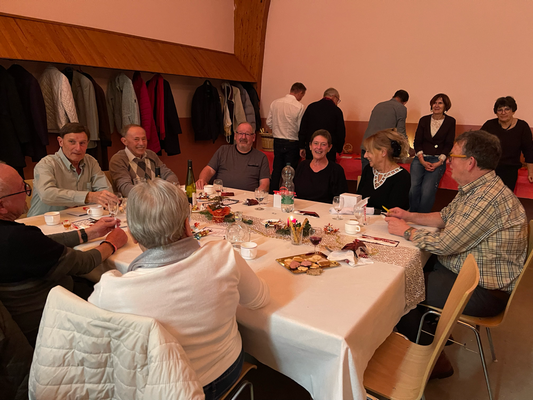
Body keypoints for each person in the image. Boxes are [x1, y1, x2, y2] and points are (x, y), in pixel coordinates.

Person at [88, 179, 270, 400]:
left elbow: (95, 350)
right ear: (187, 225)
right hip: (224, 372)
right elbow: (259, 300)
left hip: (159, 391)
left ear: (133, 236)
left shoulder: (111, 289)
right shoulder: (223, 255)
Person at [385, 130, 527, 378]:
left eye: (453, 155)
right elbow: (445, 217)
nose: (449, 160)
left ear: (470, 162)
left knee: (398, 288)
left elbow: (445, 244)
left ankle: (432, 362)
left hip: (483, 290)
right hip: (467, 272)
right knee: (412, 268)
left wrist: (406, 231)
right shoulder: (477, 187)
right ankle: (434, 332)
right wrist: (409, 216)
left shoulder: (486, 199)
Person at [0, 162, 128, 346]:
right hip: (53, 318)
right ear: (2, 206)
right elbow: (82, 263)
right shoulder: (17, 239)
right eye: (23, 189)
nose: (27, 195)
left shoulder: (15, 235)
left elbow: (44, 242)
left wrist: (88, 233)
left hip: (27, 314)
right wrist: (112, 243)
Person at [28, 122, 117, 216]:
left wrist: (107, 199)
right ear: (60, 142)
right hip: (42, 220)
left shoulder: (91, 161)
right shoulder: (46, 164)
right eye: (72, 142)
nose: (78, 148)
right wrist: (88, 197)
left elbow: (106, 191)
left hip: (79, 219)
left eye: (82, 143)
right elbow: (47, 194)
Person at [409, 93, 456, 213]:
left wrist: (440, 162)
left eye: (440, 103)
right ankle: (412, 214)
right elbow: (417, 141)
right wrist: (421, 159)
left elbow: (448, 143)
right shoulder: (424, 120)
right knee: (414, 188)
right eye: (434, 103)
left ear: (445, 106)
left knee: (427, 190)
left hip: (437, 159)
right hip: (420, 158)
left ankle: (422, 217)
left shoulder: (450, 121)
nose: (437, 105)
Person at [196, 122, 270, 192]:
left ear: (253, 137)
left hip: (248, 198)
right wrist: (202, 180)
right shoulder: (223, 150)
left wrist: (257, 196)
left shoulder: (261, 157)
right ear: (235, 136)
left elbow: (265, 184)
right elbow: (209, 169)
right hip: (221, 195)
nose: (243, 137)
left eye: (247, 134)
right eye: (240, 133)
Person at [110, 124, 179, 196]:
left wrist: (164, 190)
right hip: (134, 202)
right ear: (124, 141)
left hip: (157, 199)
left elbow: (170, 175)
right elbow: (125, 189)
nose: (141, 143)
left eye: (143, 139)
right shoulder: (118, 160)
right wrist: (153, 194)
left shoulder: (151, 154)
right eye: (136, 139)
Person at [481, 96, 533, 191]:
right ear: (496, 112)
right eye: (500, 110)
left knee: (504, 196)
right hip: (489, 169)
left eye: (507, 109)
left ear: (513, 111)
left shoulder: (522, 127)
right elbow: (477, 145)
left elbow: (529, 151)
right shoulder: (489, 125)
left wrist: (531, 172)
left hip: (510, 169)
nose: (503, 112)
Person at [266, 82, 306, 192]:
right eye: (302, 95)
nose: (301, 98)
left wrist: (278, 128)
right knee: (290, 171)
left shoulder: (275, 103)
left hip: (277, 140)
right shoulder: (299, 106)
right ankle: (288, 193)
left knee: (277, 169)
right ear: (300, 92)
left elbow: (269, 122)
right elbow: (300, 127)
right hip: (292, 142)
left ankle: (272, 193)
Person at [357, 129, 410, 211]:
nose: (365, 156)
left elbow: (396, 212)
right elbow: (358, 200)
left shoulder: (402, 177)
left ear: (383, 152)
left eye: (369, 151)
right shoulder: (368, 170)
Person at [294, 130, 348, 203]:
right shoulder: (302, 166)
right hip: (300, 208)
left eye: (323, 144)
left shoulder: (336, 170)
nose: (319, 147)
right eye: (316, 143)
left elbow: (341, 200)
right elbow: (293, 193)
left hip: (326, 209)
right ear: (310, 146)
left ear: (329, 148)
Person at [361, 90, 409, 171]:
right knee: (381, 176)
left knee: (366, 174)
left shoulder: (379, 105)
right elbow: (401, 132)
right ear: (404, 102)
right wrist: (407, 148)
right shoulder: (401, 108)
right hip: (380, 148)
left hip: (366, 145)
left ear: (393, 96)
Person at [298, 88, 345, 162]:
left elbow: (303, 128)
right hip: (328, 150)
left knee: (310, 166)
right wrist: (339, 149)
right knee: (328, 167)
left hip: (312, 147)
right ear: (334, 97)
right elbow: (340, 133)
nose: (337, 103)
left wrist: (302, 146)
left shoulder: (311, 107)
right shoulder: (336, 111)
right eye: (338, 100)